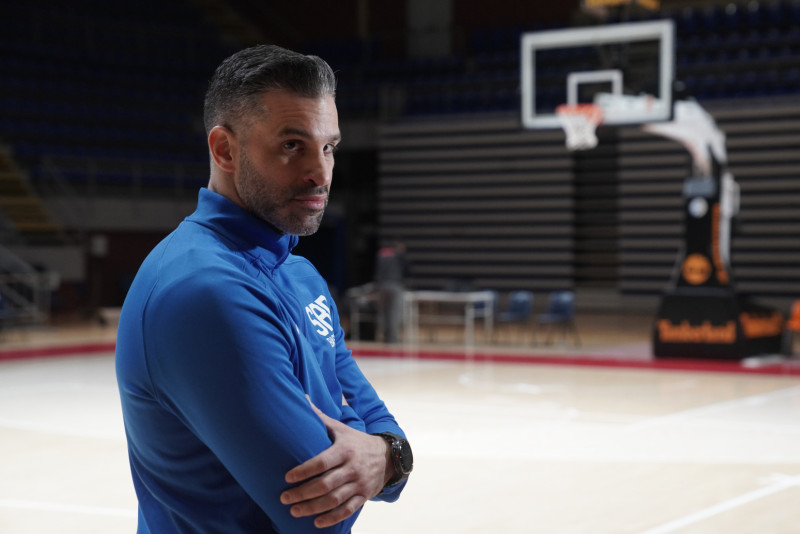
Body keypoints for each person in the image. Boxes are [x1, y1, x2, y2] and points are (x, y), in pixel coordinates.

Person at [115, 44, 412, 534]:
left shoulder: (301, 275)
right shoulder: (205, 292)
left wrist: (387, 454)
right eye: (292, 145)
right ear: (224, 150)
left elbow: (375, 419)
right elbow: (325, 517)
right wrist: (380, 452)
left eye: (329, 147)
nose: (320, 172)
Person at [374, 241, 408, 343]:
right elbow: (407, 269)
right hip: (395, 285)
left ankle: (384, 335)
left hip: (382, 285)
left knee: (383, 312)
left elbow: (376, 270)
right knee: (395, 312)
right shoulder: (399, 255)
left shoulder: (381, 254)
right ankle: (393, 337)